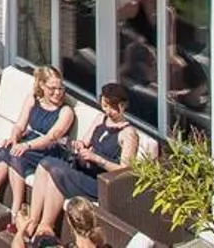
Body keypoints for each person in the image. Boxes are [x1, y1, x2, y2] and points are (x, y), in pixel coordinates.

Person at [26, 82, 139, 240]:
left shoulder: (128, 134)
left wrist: (97, 159)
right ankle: (33, 220)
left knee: (57, 172)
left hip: (99, 182)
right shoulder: (101, 119)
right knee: (45, 165)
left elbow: (125, 170)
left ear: (122, 106)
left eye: (111, 107)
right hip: (83, 169)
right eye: (104, 105)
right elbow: (85, 141)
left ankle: (46, 227)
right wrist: (80, 146)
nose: (107, 111)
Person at [0, 65, 76, 218]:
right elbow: (20, 125)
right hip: (30, 141)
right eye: (52, 88)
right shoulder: (33, 99)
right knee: (4, 151)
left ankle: (16, 210)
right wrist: (14, 137)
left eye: (61, 88)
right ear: (41, 85)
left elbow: (51, 138)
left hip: (50, 150)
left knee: (16, 155)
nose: (58, 93)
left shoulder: (66, 112)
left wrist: (26, 145)